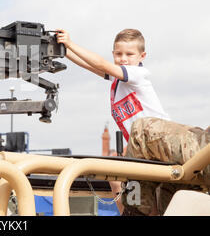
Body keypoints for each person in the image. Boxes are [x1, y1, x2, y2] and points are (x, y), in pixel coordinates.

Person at [55, 28, 208, 215]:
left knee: (130, 184)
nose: (123, 58)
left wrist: (71, 43)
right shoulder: (118, 80)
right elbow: (90, 66)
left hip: (157, 145)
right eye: (118, 54)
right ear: (113, 54)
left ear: (141, 56)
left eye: (129, 54)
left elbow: (102, 64)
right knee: (134, 188)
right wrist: (63, 50)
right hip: (143, 151)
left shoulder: (136, 74)